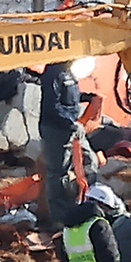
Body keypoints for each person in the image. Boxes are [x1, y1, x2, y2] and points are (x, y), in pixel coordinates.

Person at [39, 61, 85, 224]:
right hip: (55, 128)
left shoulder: (69, 72)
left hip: (69, 127)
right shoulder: (53, 73)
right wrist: (69, 123)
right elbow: (52, 106)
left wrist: (88, 97)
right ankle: (59, 217)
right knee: (57, 173)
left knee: (86, 164)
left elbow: (71, 98)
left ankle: (76, 206)